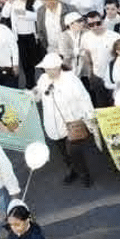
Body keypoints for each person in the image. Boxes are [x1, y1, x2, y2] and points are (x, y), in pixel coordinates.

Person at [33, 52, 97, 187]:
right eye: (46, 69)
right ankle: (72, 170)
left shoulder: (71, 79)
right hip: (52, 122)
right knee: (63, 152)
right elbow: (38, 94)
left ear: (58, 67)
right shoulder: (43, 79)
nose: (48, 71)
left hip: (72, 121)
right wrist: (32, 94)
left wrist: (90, 117)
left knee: (74, 151)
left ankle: (85, 174)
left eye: (51, 69)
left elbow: (84, 98)